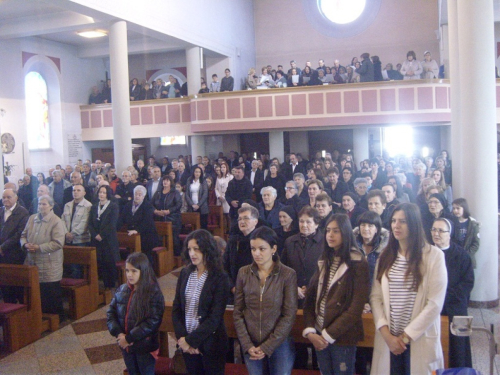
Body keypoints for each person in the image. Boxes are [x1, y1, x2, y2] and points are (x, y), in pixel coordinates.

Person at [370, 203, 447, 374]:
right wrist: (387, 335)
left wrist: (404, 338)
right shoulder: (385, 255)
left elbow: (434, 304)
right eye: (394, 221)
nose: (396, 226)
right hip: (389, 339)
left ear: (414, 224)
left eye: (403, 221)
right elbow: (375, 297)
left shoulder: (434, 256)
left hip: (417, 338)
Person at [302, 214, 370, 375]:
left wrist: (327, 335)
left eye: (336, 231)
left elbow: (356, 307)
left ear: (345, 233)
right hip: (319, 331)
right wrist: (311, 331)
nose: (330, 235)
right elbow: (311, 299)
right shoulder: (325, 258)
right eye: (328, 231)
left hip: (342, 335)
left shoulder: (357, 261)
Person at [233, 226, 298, 375]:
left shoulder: (287, 274)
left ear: (273, 248)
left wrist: (268, 346)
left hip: (279, 343)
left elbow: (289, 314)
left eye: (262, 249)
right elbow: (238, 312)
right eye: (253, 249)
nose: (256, 253)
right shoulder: (243, 273)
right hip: (251, 342)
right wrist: (247, 344)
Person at [172, 229, 230, 375]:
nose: (192, 253)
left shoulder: (219, 277)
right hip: (186, 342)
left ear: (207, 250)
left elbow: (215, 317)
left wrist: (192, 340)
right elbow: (177, 308)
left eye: (196, 249)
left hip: (211, 343)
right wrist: (183, 340)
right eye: (189, 249)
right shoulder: (185, 273)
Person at [107, 253, 165, 375]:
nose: (129, 274)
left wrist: (129, 338)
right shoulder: (122, 289)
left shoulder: (152, 292)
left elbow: (152, 322)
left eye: (134, 271)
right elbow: (111, 313)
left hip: (144, 346)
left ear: (143, 271)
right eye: (127, 270)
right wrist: (119, 334)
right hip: (126, 346)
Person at [431, 218, 474, 368]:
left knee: (459, 350)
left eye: (441, 230)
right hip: (432, 307)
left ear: (450, 234)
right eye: (434, 230)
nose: (436, 233)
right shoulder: (426, 253)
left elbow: (467, 283)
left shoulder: (462, 255)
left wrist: (445, 295)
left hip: (456, 308)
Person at [21, 195, 66, 321]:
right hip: (32, 260)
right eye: (39, 204)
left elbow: (58, 243)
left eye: (44, 204)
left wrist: (39, 247)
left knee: (50, 292)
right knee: (37, 291)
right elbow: (23, 235)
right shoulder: (31, 218)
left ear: (51, 206)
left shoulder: (56, 221)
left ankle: (56, 318)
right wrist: (25, 244)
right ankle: (40, 317)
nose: (41, 206)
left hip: (49, 263)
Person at [0, 188, 30, 303]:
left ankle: (20, 311)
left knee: (15, 284)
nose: (6, 199)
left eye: (9, 197)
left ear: (16, 198)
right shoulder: (1, 211)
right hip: (1, 255)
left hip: (14, 254)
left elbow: (19, 234)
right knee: (4, 284)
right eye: (4, 197)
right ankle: (8, 309)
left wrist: (3, 247)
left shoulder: (22, 212)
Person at [119, 185, 160, 267]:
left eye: (139, 194)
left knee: (145, 255)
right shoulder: (128, 205)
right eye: (136, 194)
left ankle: (147, 273)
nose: (137, 196)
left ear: (143, 196)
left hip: (147, 236)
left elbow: (147, 222)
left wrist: (137, 230)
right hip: (132, 236)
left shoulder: (147, 206)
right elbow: (121, 219)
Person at [88, 185, 120, 290]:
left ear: (107, 194)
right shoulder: (94, 206)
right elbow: (90, 223)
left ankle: (111, 286)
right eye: (100, 192)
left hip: (108, 239)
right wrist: (95, 234)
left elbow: (112, 224)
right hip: (96, 239)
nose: (101, 194)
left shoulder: (113, 206)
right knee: (100, 262)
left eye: (104, 192)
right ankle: (103, 286)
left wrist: (102, 235)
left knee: (109, 262)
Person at [61, 184, 92, 278]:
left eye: (78, 190)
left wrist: (72, 233)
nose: (75, 192)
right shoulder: (67, 205)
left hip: (80, 239)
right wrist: (66, 233)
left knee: (77, 266)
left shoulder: (88, 206)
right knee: (67, 265)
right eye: (74, 190)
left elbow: (84, 223)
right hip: (67, 238)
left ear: (84, 193)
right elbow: (62, 220)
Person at [452, 198, 480, 268]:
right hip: (454, 257)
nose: (455, 210)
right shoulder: (452, 222)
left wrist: (466, 254)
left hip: (467, 258)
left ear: (464, 208)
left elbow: (476, 243)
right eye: (454, 208)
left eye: (458, 208)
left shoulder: (473, 224)